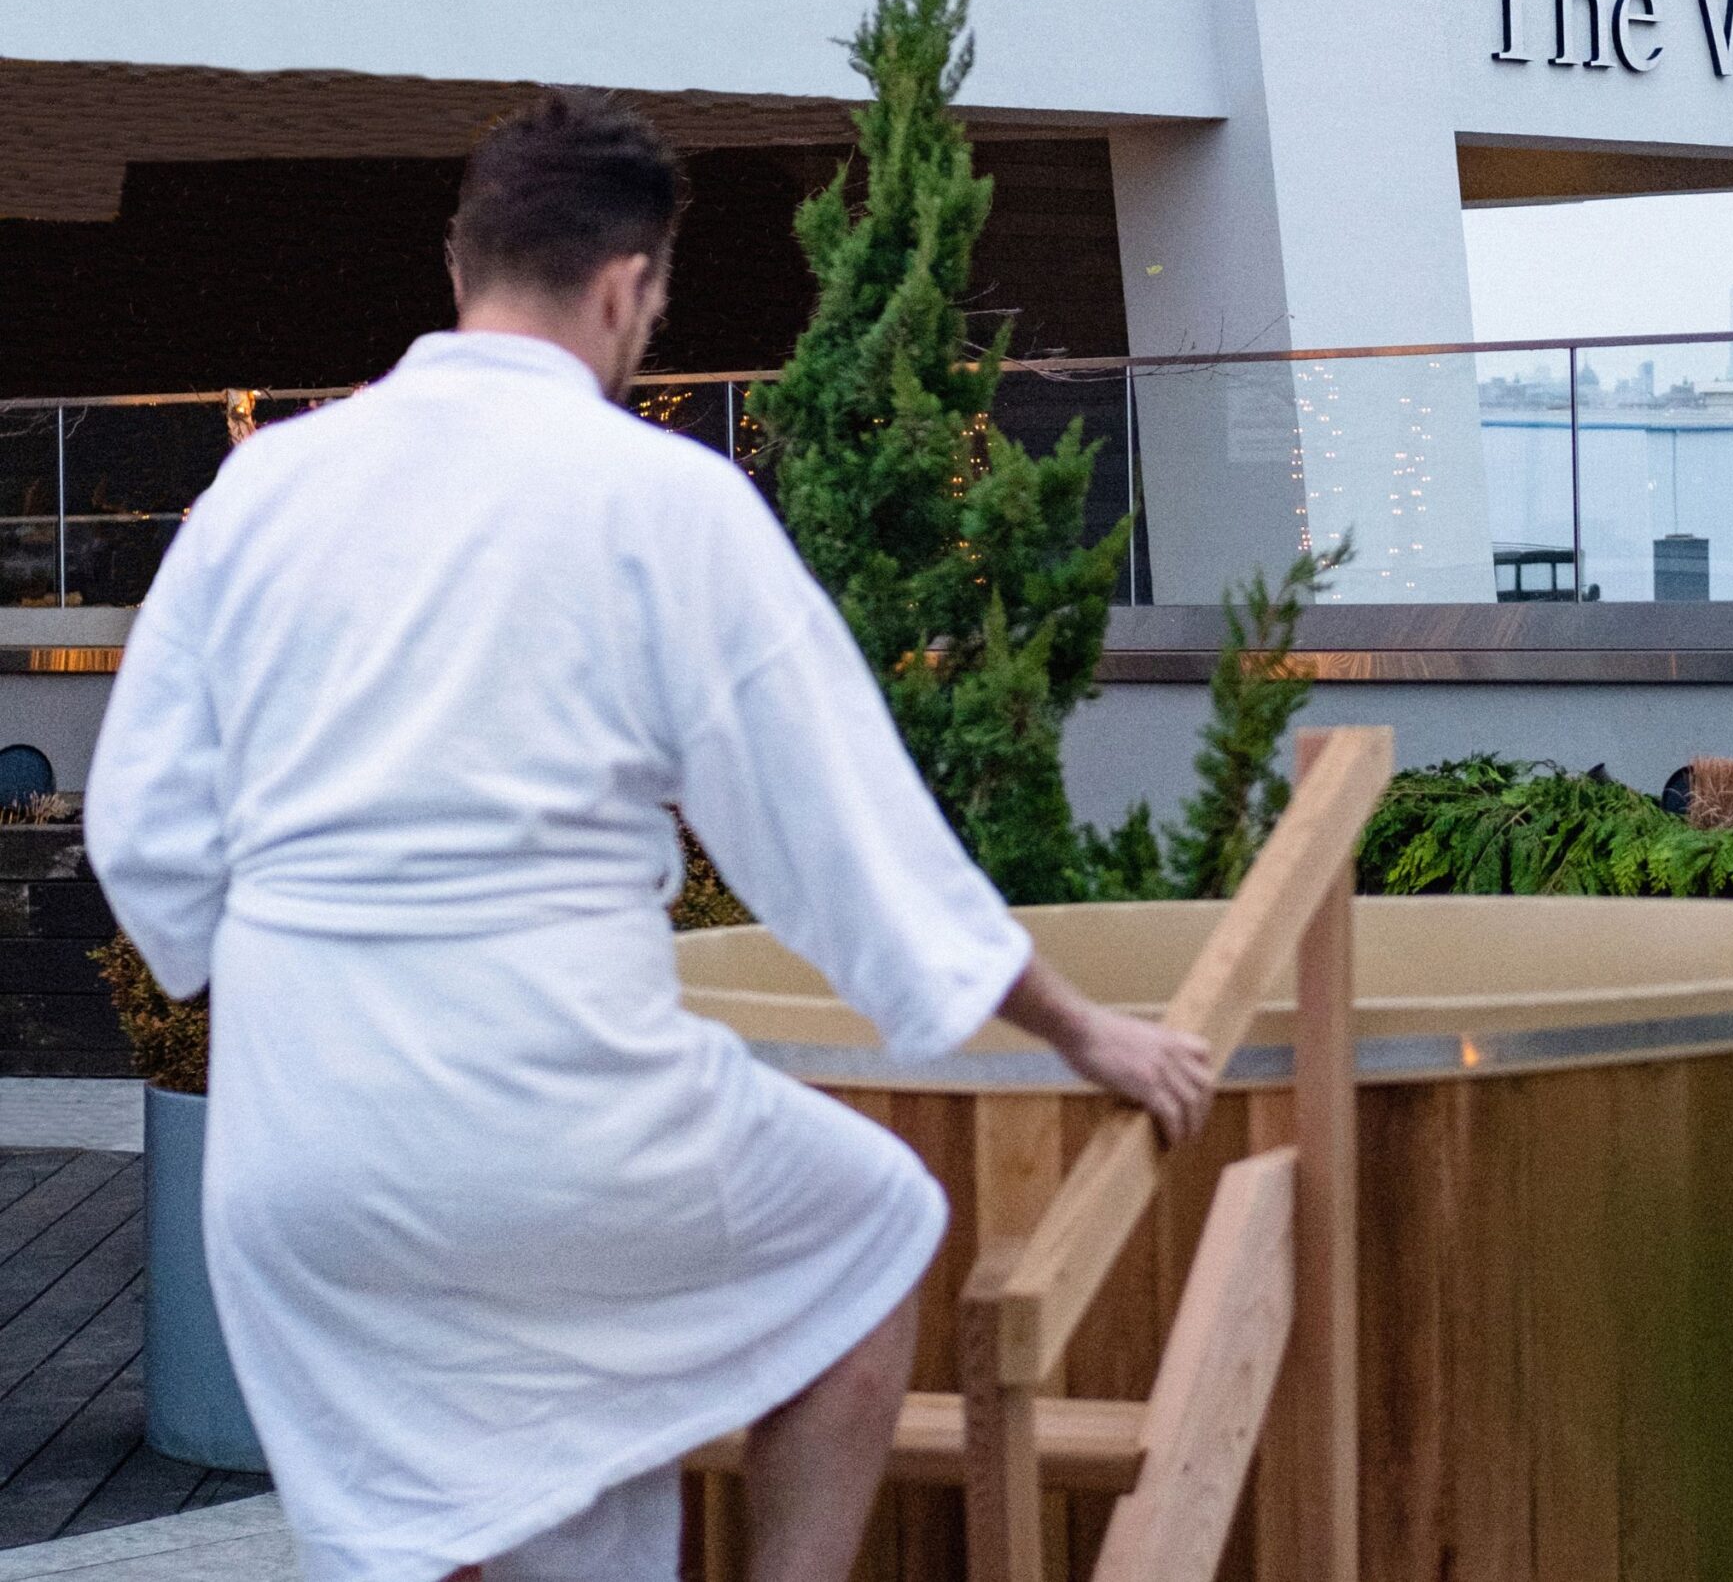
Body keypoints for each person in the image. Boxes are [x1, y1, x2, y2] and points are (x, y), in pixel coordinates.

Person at [83, 92, 1215, 1582]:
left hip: (298, 1155)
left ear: (461, 261)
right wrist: (1081, 1030)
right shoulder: (662, 500)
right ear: (629, 286)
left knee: (524, 1516)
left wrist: (325, 982)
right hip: (550, 1121)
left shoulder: (265, 488)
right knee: (871, 1228)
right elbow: (840, 831)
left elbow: (145, 823)